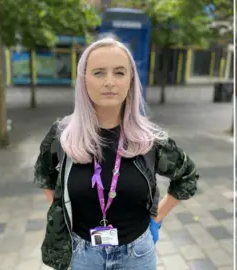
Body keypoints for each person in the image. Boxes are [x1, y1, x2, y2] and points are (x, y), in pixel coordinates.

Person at [33, 37, 199, 270]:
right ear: (83, 80)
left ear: (131, 80)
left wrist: (157, 218)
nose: (109, 82)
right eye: (99, 72)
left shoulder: (150, 139)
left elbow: (187, 177)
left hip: (137, 255)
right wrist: (61, 210)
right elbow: (43, 174)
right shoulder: (63, 134)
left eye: (119, 73)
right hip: (82, 255)